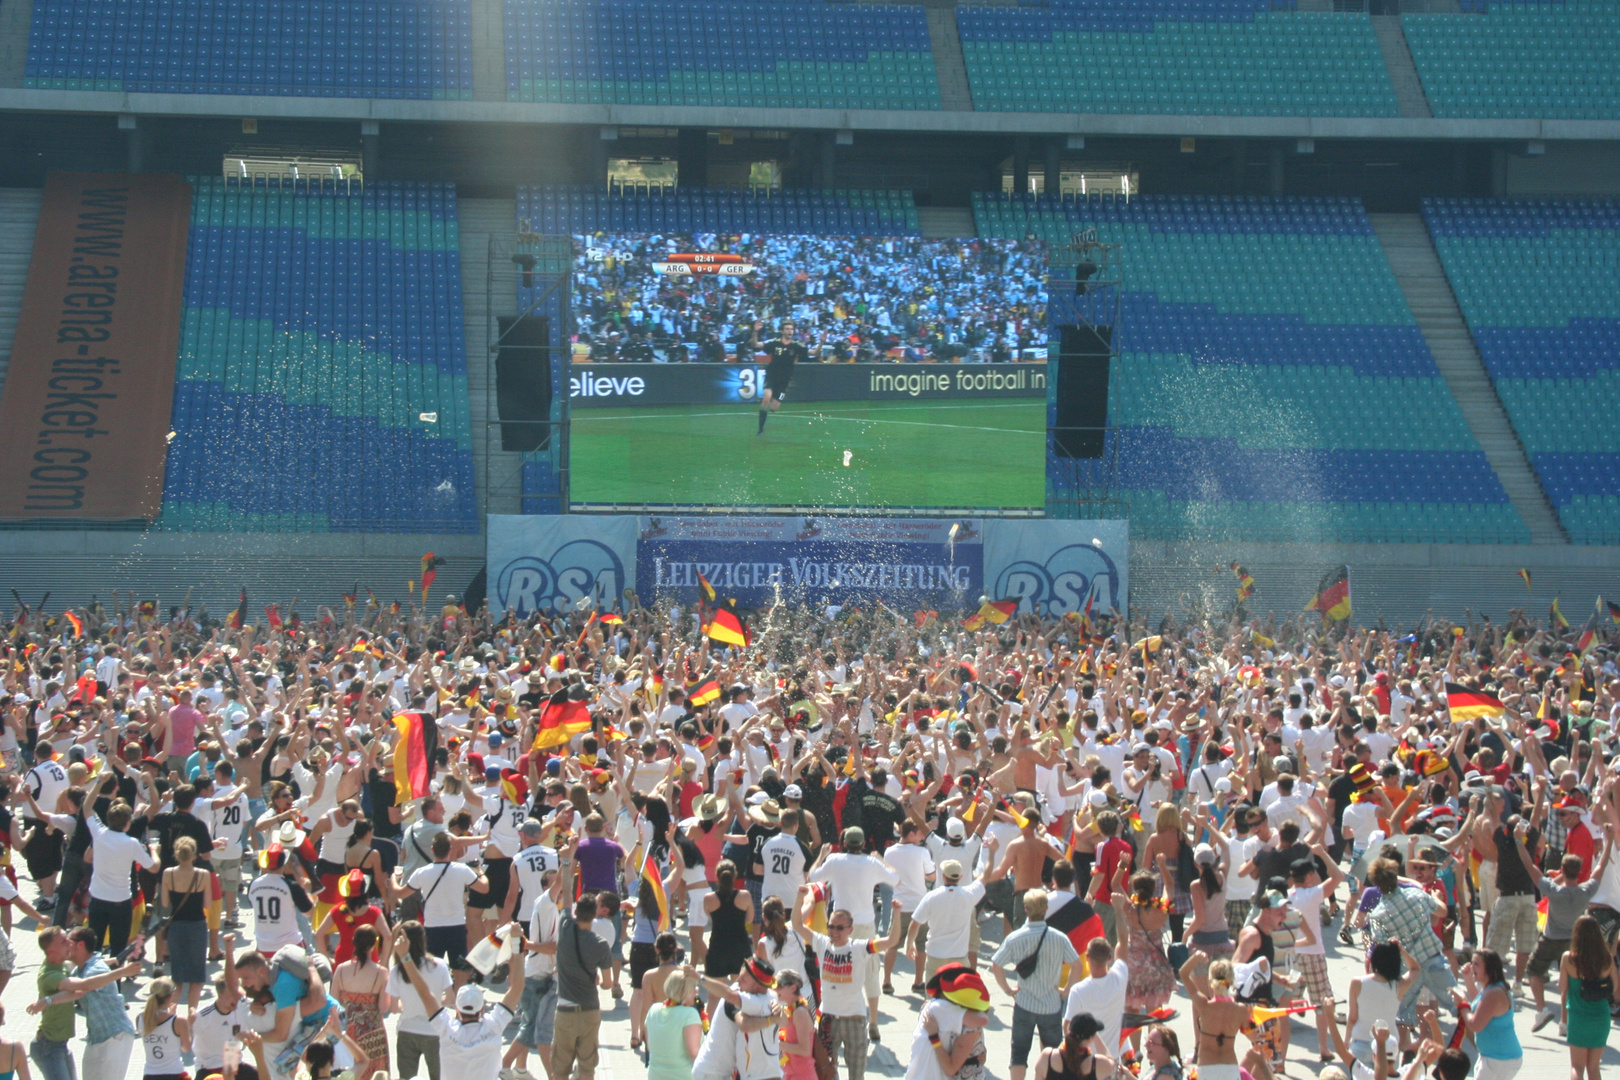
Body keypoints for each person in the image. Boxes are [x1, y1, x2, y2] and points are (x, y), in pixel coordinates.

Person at [392, 923, 527, 1080]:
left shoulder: (446, 1027)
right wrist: (517, 943)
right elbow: (517, 987)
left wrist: (405, 957)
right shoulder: (494, 1024)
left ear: (457, 1008)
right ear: (482, 1009)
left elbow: (425, 994)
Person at [793, 885, 904, 1074]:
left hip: (854, 1019)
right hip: (828, 1018)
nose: (834, 931)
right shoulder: (821, 942)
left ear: (850, 930)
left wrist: (897, 913)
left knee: (856, 1073)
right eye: (831, 926)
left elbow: (891, 941)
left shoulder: (860, 948)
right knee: (825, 1072)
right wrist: (799, 899)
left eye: (839, 928)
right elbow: (797, 925)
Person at [991, 889, 1081, 1080]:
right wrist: (1066, 990)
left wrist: (1008, 989)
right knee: (1053, 1054)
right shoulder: (1059, 938)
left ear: (1026, 909)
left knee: (1019, 1054)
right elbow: (1077, 966)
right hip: (1051, 1004)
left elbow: (997, 964)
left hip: (1024, 1003)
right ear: (1046, 909)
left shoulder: (1015, 938)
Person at [552, 847, 614, 1080]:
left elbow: (567, 892)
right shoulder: (600, 944)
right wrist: (597, 979)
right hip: (589, 1009)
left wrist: (567, 862)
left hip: (565, 1010)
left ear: (576, 911)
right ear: (595, 915)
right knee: (587, 1068)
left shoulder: (566, 927)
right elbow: (608, 984)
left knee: (560, 1069)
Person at [386, 921, 454, 1080]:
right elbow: (450, 999)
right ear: (423, 939)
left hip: (407, 1031)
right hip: (435, 1032)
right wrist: (436, 1001)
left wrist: (408, 1002)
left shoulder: (397, 970)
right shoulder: (439, 965)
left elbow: (394, 1008)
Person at [161, 834, 213, 1014]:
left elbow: (165, 904)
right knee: (196, 978)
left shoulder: (168, 874)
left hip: (177, 926)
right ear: (194, 855)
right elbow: (207, 904)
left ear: (176, 854)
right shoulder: (203, 875)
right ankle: (192, 1016)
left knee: (178, 978)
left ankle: (171, 1016)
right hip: (197, 926)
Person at [912, 859, 987, 983]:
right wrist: (992, 853)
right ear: (961, 877)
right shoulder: (969, 894)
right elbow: (987, 875)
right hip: (959, 957)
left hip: (935, 954)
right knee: (956, 995)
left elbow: (915, 923)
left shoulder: (931, 897)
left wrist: (910, 943)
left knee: (933, 996)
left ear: (943, 876)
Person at [331, 924, 391, 1080]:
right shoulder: (381, 973)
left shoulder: (341, 969)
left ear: (354, 942)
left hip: (346, 1034)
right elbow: (383, 1007)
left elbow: (333, 1003)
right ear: (374, 944)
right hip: (372, 1035)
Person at [1345, 942, 1416, 1072]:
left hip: (1361, 1042)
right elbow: (1415, 969)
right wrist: (1401, 950)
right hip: (1388, 1046)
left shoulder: (1357, 982)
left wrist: (1346, 1040)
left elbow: (1352, 1018)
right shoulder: (1399, 986)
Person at [1559, 914, 1615, 1080]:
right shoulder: (1607, 959)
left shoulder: (1569, 958)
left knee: (1577, 1067)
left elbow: (1563, 988)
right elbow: (1615, 987)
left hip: (1578, 1016)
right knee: (1594, 1068)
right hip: (1601, 1017)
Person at [1455, 949, 1520, 1080]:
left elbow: (1475, 1025)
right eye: (1472, 962)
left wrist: (1462, 1005)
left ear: (1490, 969)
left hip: (1500, 1059)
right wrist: (1468, 979)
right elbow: (1479, 1005)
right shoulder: (1492, 988)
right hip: (1495, 1057)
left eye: (1477, 964)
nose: (1472, 966)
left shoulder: (1494, 993)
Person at [1064, 936, 1128, 1055]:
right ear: (1109, 959)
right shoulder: (1120, 979)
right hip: (1111, 1059)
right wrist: (1120, 916)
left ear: (1087, 957)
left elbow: (1067, 1027)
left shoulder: (1077, 991)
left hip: (1086, 1061)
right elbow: (1123, 944)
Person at [644, 966, 704, 1080]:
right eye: (693, 988)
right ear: (684, 991)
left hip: (656, 1075)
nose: (696, 991)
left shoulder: (653, 1009)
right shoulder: (689, 1014)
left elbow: (650, 1046)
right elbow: (694, 1053)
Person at [754, 318, 806, 433]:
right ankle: (760, 429)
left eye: (791, 329)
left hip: (784, 380)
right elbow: (756, 344)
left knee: (773, 408)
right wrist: (755, 332)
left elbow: (814, 353)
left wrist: (822, 342)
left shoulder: (796, 346)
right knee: (766, 398)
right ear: (782, 331)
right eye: (787, 329)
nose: (790, 331)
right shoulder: (774, 343)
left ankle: (774, 400)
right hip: (772, 375)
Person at [1033, 1012, 1117, 1080]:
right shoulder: (1097, 1064)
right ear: (1089, 1039)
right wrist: (1095, 1036)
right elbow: (1112, 1065)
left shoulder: (1047, 1057)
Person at [139, 976, 191, 1079]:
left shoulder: (140, 1018)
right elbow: (186, 1048)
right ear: (171, 996)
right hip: (174, 1073)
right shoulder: (179, 1021)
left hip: (150, 1074)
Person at [775, 970, 818, 1080]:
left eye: (779, 986)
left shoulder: (799, 1013)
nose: (775, 989)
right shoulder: (789, 1011)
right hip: (791, 1073)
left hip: (802, 1075)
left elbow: (805, 1050)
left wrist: (777, 1044)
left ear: (793, 988)